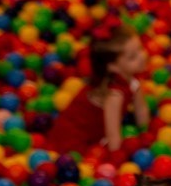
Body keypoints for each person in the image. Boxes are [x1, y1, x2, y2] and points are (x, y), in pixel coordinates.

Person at [46, 19, 149, 156]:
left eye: (140, 49)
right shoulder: (114, 94)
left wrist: (146, 135)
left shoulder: (132, 79)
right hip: (75, 136)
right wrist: (117, 160)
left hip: (96, 130)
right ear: (113, 66)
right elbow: (113, 136)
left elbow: (141, 109)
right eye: (132, 57)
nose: (142, 57)